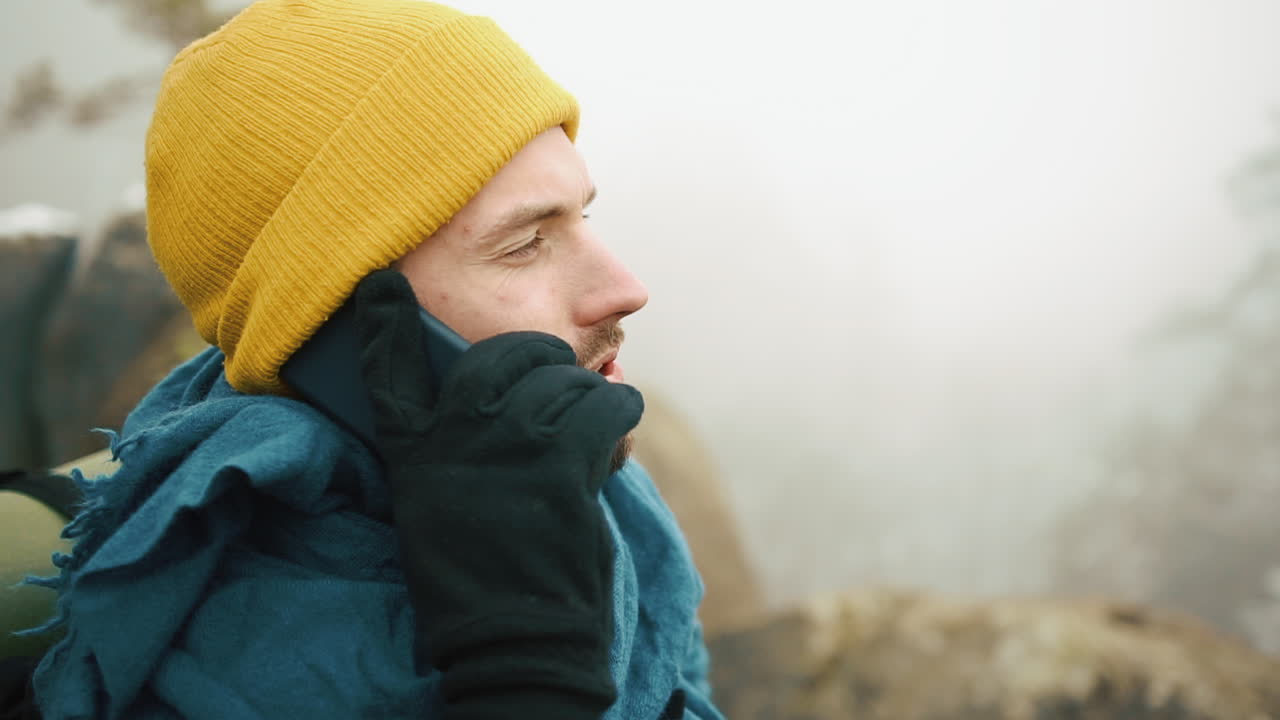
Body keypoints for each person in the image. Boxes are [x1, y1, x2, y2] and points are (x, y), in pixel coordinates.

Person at [24, 1, 724, 718]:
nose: (625, 291)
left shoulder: (610, 524)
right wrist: (526, 669)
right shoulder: (210, 669)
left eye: (583, 218)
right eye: (524, 244)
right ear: (344, 337)